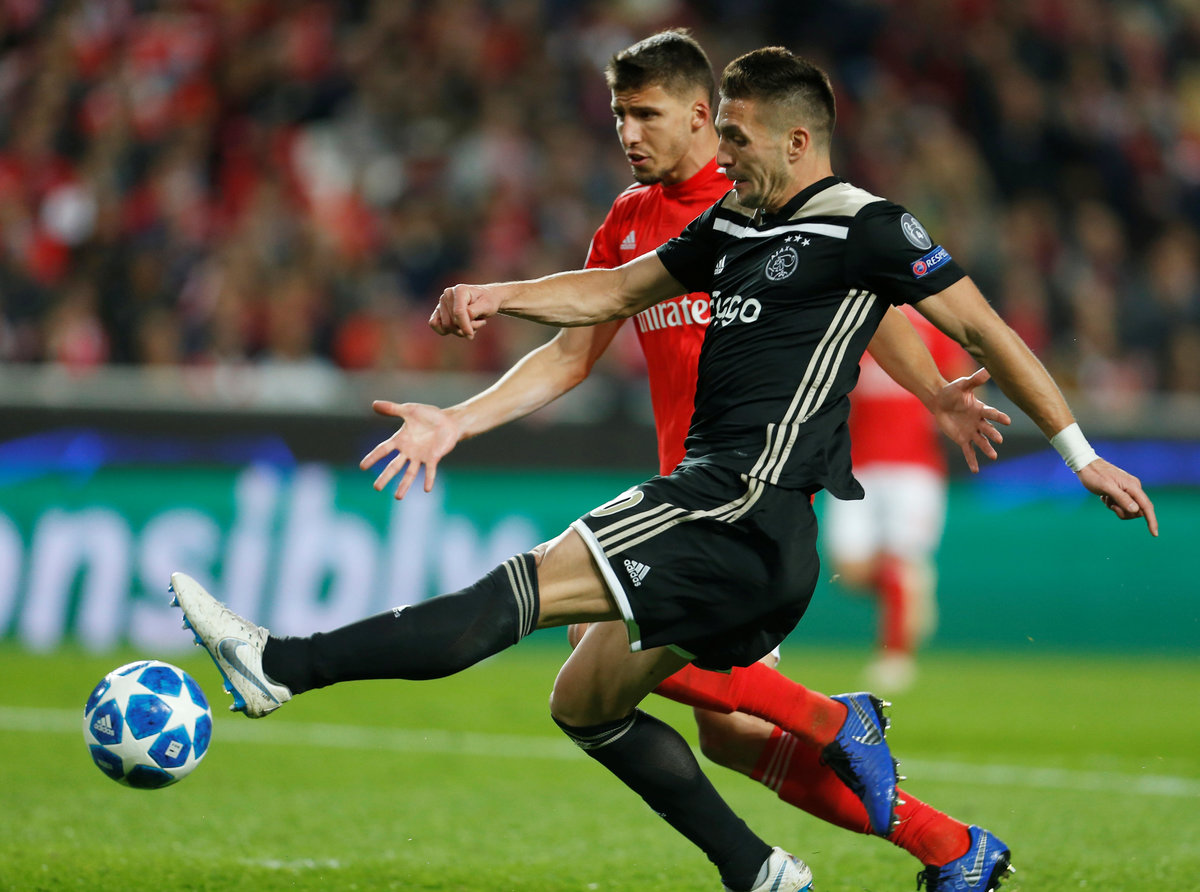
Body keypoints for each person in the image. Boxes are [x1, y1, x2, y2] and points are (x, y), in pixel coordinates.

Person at [173, 46, 1156, 892]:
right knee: (590, 701)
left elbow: (948, 318)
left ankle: (280, 666)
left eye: (724, 132)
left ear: (784, 138)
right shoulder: (724, 224)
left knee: (525, 593)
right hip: (712, 505)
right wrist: (494, 304)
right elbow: (611, 296)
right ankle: (852, 856)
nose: (712, 150)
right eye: (633, 117)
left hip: (736, 500)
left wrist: (1063, 446)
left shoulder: (856, 221)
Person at [359, 29, 1015, 890]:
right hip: (682, 493)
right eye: (618, 116)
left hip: (748, 498)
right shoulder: (630, 219)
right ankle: (946, 842)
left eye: (645, 114)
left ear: (704, 116)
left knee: (597, 657)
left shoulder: (766, 197)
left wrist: (933, 390)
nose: (627, 134)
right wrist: (458, 420)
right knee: (725, 732)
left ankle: (848, 751)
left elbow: (871, 297)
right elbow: (571, 354)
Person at [824, 303, 972, 693]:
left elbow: (964, 383)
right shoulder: (853, 321)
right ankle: (909, 589)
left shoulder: (932, 326)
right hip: (857, 464)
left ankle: (895, 659)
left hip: (914, 466)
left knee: (900, 559)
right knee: (849, 571)